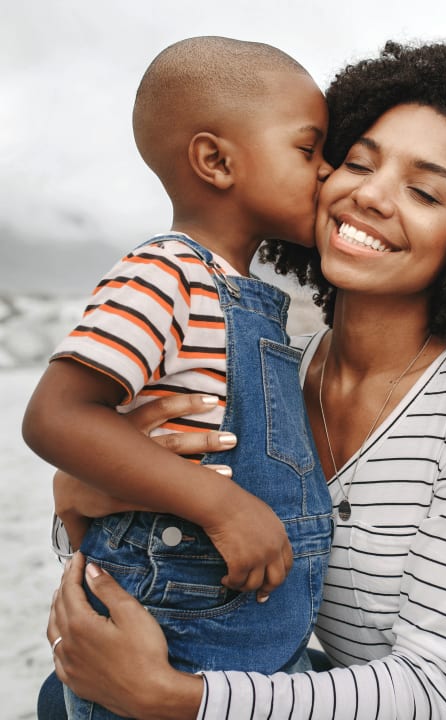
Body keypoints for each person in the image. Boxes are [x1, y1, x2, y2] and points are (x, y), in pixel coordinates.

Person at [44, 37, 446, 719]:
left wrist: (170, 696)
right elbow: (176, 538)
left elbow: (432, 687)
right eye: (354, 162)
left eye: (423, 191)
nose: (370, 194)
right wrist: (87, 494)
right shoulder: (269, 368)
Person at [23, 35, 334, 719]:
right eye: (309, 150)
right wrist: (223, 505)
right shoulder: (164, 273)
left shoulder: (244, 293)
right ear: (216, 161)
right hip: (171, 634)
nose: (327, 172)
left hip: (249, 637)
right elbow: (57, 414)